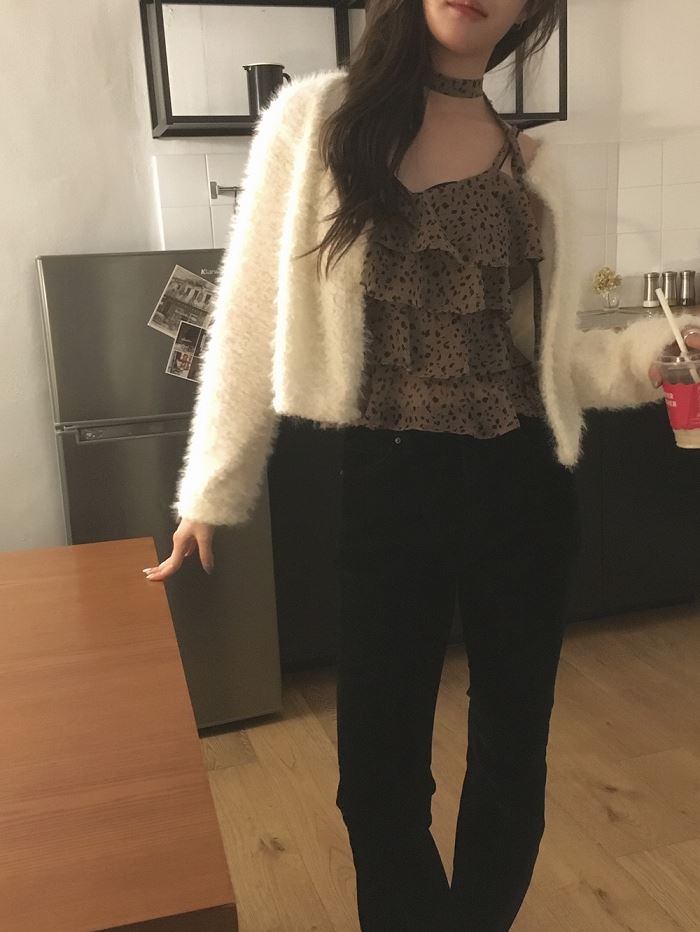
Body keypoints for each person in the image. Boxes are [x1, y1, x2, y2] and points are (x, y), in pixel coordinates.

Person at [143, 1, 700, 929]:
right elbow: (249, 313)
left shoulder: (533, 165)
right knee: (376, 772)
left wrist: (650, 353)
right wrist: (210, 485)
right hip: (389, 479)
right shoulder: (318, 122)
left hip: (524, 483)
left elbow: (547, 356)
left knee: (512, 755)